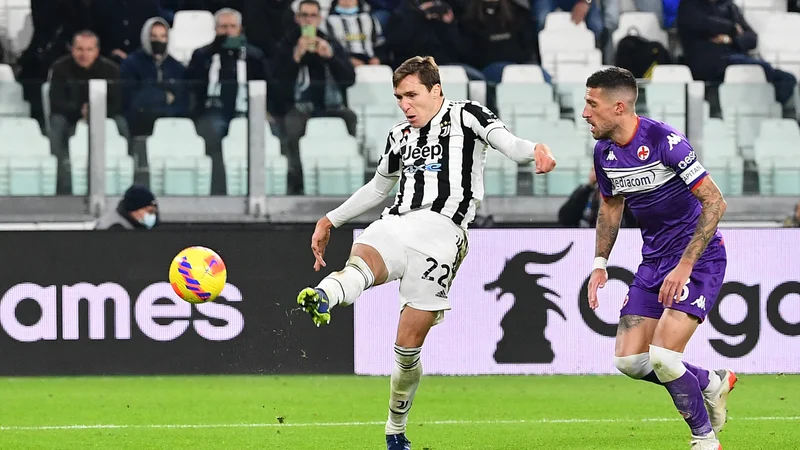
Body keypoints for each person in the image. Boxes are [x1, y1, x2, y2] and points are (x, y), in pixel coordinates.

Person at [295, 55, 556, 450]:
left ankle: (395, 428)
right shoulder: (399, 135)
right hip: (397, 222)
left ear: (436, 91)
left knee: (407, 346)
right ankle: (324, 296)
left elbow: (509, 144)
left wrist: (534, 149)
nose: (405, 104)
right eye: (399, 97)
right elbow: (379, 189)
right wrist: (330, 219)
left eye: (412, 95)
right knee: (362, 258)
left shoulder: (467, 115)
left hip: (442, 234)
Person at [583, 67, 736, 450]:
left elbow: (715, 203)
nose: (585, 113)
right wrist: (600, 263)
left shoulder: (665, 141)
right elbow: (610, 207)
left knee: (665, 357)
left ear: (618, 107)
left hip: (698, 259)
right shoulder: (604, 152)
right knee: (631, 362)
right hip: (653, 262)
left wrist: (684, 267)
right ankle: (710, 382)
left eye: (591, 104)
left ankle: (705, 440)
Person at [94, 184, 158, 230]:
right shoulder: (117, 228)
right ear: (135, 210)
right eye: (150, 211)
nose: (152, 215)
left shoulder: (124, 222)